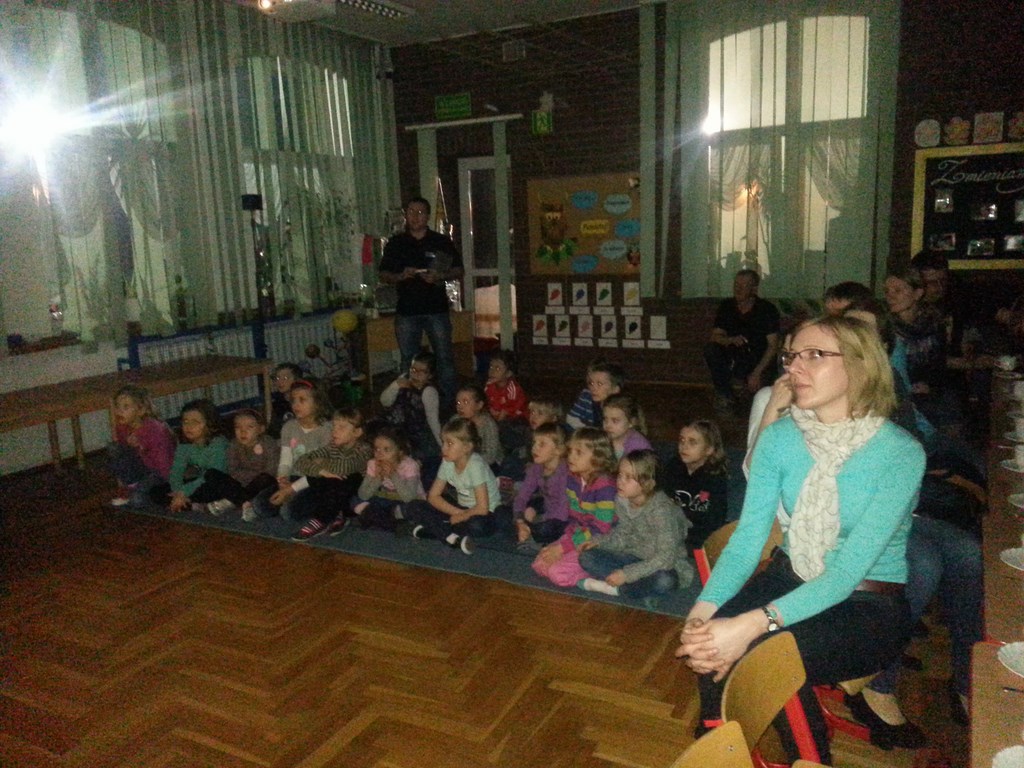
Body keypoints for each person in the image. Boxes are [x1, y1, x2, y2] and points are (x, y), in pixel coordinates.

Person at [677, 314, 926, 765]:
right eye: (792, 356)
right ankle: (719, 742)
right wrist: (701, 613)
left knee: (761, 652)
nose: (794, 367)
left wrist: (753, 624)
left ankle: (808, 760)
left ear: (859, 364)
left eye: (814, 355)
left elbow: (844, 574)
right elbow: (748, 539)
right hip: (791, 575)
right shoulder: (779, 438)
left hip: (868, 604)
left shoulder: (900, 454)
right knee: (711, 637)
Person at [378, 196, 464, 403]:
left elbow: (459, 270)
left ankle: (449, 401)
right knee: (408, 359)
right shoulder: (396, 243)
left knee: (444, 357)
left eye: (420, 212)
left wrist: (439, 276)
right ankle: (408, 401)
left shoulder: (440, 241)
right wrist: (401, 276)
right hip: (407, 310)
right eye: (411, 212)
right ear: (406, 215)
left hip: (436, 309)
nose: (415, 217)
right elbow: (383, 274)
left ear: (427, 216)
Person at [578, 449, 694, 600]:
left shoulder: (661, 511)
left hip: (662, 564)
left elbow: (666, 557)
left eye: (628, 477)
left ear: (648, 483)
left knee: (665, 580)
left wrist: (627, 574)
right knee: (586, 557)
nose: (620, 481)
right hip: (632, 556)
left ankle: (618, 589)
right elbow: (623, 534)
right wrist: (600, 542)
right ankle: (640, 589)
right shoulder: (622, 499)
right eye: (620, 475)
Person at [531, 427, 618, 587]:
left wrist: (563, 548)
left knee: (557, 574)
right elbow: (574, 518)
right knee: (539, 564)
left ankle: (594, 578)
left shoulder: (605, 486)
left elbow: (601, 529)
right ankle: (572, 565)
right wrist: (565, 542)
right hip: (580, 534)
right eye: (570, 451)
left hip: (600, 541)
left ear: (598, 458)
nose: (571, 456)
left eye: (579, 452)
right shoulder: (573, 479)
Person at [405, 417, 500, 555]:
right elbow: (433, 496)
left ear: (467, 447)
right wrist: (457, 514)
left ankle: (434, 530)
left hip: (484, 513)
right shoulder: (447, 462)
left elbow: (482, 508)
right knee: (414, 506)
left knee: (476, 525)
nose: (443, 448)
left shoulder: (476, 465)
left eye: (449, 443)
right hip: (461, 508)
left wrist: (461, 516)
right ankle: (450, 537)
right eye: (443, 442)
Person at [245, 379, 332, 522]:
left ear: (318, 402)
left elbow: (317, 471)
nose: (296, 405)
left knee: (288, 512)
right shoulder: (289, 427)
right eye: (293, 400)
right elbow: (285, 459)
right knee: (259, 505)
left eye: (302, 400)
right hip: (294, 477)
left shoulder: (326, 431)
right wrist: (283, 480)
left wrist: (291, 489)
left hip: (315, 481)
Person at [282, 407, 372, 541]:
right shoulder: (332, 446)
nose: (335, 430)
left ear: (357, 432)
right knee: (323, 479)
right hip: (331, 491)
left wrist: (322, 463)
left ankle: (321, 520)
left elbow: (345, 467)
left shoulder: (364, 449)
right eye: (334, 426)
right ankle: (335, 514)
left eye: (341, 427)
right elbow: (300, 461)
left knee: (347, 478)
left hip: (355, 496)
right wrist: (322, 471)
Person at [704, 269, 781, 411]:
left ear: (754, 288)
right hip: (735, 356)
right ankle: (725, 395)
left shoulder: (766, 309)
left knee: (759, 402)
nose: (738, 289)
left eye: (743, 285)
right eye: (736, 285)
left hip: (758, 359)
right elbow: (715, 336)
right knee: (711, 349)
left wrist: (757, 373)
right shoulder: (727, 307)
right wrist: (730, 340)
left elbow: (773, 345)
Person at [658, 419, 729, 553]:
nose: (684, 446)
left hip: (696, 542)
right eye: (682, 440)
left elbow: (713, 521)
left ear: (709, 449)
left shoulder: (714, 479)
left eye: (692, 442)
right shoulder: (673, 467)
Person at [498, 422, 571, 548]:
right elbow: (522, 496)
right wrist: (520, 521)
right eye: (534, 443)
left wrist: (536, 519)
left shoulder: (566, 472)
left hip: (562, 518)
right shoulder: (536, 468)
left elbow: (563, 509)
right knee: (501, 512)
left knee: (545, 529)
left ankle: (529, 535)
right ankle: (527, 534)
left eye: (542, 444)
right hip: (544, 509)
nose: (534, 448)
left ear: (558, 450)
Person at [197, 408, 279, 516]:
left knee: (265, 479)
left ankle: (230, 502)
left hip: (259, 484)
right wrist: (242, 479)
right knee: (211, 474)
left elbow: (271, 471)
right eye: (238, 427)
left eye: (249, 427)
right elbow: (232, 470)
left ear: (261, 429)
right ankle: (241, 501)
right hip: (238, 485)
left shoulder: (268, 443)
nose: (243, 431)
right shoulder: (233, 444)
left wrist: (247, 476)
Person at [107, 384, 176, 508]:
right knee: (114, 448)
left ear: (141, 410)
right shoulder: (122, 427)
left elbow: (164, 465)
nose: (119, 411)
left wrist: (141, 445)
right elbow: (125, 455)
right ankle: (133, 486)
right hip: (143, 468)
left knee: (137, 500)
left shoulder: (155, 430)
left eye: (126, 407)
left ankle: (153, 495)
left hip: (160, 472)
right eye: (117, 406)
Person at [352, 426, 425, 532]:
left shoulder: (410, 465)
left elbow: (409, 497)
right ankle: (387, 520)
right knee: (355, 500)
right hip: (385, 499)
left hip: (405, 501)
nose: (379, 453)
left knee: (415, 508)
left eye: (386, 450)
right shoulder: (373, 463)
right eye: (376, 449)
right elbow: (363, 494)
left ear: (400, 452)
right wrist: (379, 477)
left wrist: (393, 475)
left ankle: (377, 517)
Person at [163, 399, 230, 512]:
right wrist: (177, 491)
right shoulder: (185, 444)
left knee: (210, 488)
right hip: (199, 481)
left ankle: (189, 503)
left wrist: (184, 491)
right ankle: (189, 503)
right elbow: (176, 471)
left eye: (195, 422)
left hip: (221, 482)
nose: (188, 427)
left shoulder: (219, 444)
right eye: (185, 422)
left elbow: (214, 475)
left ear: (209, 423)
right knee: (156, 491)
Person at [379, 351, 442, 467]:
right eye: (413, 369)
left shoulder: (428, 392)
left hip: (416, 436)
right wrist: (395, 385)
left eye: (421, 372)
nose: (415, 374)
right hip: (395, 427)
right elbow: (385, 401)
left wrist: (442, 445)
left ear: (430, 375)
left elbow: (433, 420)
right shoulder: (403, 379)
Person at [454, 382, 503, 470]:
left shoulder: (488, 425)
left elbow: (491, 456)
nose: (460, 406)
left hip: (487, 464)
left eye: (465, 402)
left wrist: (467, 460)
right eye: (458, 402)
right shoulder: (455, 421)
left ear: (479, 405)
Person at [566, 360, 625, 429]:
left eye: (599, 384)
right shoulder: (587, 396)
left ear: (615, 389)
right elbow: (571, 418)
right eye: (591, 383)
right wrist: (590, 431)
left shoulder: (622, 408)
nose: (593, 388)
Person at [601, 393, 652, 459]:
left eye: (615, 421)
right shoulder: (602, 440)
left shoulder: (639, 447)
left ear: (631, 422)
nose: (608, 425)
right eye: (605, 419)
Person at [268, 362, 303, 439]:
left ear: (297, 380)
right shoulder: (277, 402)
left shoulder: (302, 401)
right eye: (277, 378)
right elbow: (274, 428)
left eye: (285, 378)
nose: (280, 382)